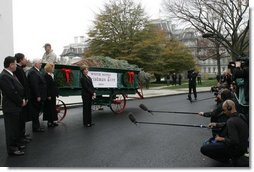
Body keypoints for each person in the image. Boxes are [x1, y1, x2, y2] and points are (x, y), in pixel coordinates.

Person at [200, 100, 249, 165]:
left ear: (229, 108)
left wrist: (221, 139)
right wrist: (216, 124)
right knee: (210, 141)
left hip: (236, 150)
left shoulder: (231, 121)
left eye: (224, 110)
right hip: (243, 147)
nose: (224, 112)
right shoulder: (240, 116)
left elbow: (234, 141)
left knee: (204, 148)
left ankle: (229, 160)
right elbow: (227, 124)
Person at [0, 56, 27, 156]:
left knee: (15, 128)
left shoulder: (9, 74)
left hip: (15, 106)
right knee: (11, 130)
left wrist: (22, 98)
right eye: (15, 64)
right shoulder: (4, 76)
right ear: (11, 65)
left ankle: (16, 144)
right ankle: (12, 149)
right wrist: (21, 101)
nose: (16, 66)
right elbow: (12, 92)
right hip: (11, 107)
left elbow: (17, 88)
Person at [13, 53, 32, 143]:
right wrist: (25, 97)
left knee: (22, 118)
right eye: (24, 58)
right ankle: (21, 136)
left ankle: (22, 134)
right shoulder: (18, 69)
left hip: (23, 97)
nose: (26, 60)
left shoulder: (19, 68)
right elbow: (22, 85)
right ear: (20, 60)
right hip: (22, 98)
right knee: (21, 119)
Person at [27, 58, 47, 132]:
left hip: (39, 95)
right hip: (36, 96)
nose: (41, 64)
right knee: (35, 112)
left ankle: (36, 126)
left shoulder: (36, 71)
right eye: (40, 63)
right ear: (35, 64)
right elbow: (34, 85)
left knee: (37, 111)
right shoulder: (33, 72)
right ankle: (36, 127)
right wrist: (38, 96)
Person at [43, 63, 59, 127]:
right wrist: (48, 95)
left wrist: (56, 93)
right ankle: (49, 122)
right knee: (49, 109)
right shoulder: (46, 76)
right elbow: (47, 87)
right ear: (50, 68)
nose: (54, 69)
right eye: (53, 67)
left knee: (52, 108)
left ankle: (52, 121)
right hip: (49, 95)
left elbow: (54, 85)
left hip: (53, 94)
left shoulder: (52, 75)